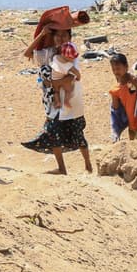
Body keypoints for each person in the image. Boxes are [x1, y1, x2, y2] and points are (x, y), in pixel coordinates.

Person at [21, 25, 92, 175]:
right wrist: (41, 34)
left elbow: (72, 77)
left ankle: (88, 165)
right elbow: (27, 53)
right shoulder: (47, 53)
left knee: (77, 133)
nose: (60, 38)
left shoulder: (71, 52)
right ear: (52, 37)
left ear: (70, 37)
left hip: (71, 100)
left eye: (64, 35)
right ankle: (62, 168)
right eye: (57, 35)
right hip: (53, 101)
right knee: (53, 133)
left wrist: (53, 83)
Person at [50, 41, 81, 110]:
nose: (73, 59)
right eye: (71, 58)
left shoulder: (56, 57)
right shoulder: (68, 65)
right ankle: (66, 100)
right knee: (69, 89)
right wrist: (78, 78)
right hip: (62, 80)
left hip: (54, 79)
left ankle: (58, 102)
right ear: (66, 57)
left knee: (56, 91)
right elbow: (76, 72)